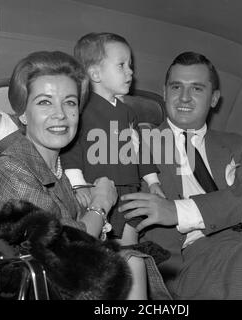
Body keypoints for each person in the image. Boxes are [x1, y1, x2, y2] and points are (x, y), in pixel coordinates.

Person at [0, 51, 171, 300]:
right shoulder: (12, 170)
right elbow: (67, 250)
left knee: (132, 260)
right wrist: (101, 204)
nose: (60, 114)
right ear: (23, 114)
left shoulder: (61, 168)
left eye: (69, 102)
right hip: (34, 286)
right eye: (44, 102)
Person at [118, 51, 242, 300]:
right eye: (176, 87)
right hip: (193, 256)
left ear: (214, 98)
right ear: (164, 93)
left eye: (196, 89)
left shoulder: (237, 145)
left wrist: (177, 210)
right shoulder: (135, 145)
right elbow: (122, 211)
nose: (184, 97)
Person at [61, 33, 165, 250]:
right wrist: (78, 184)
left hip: (130, 190)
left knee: (129, 245)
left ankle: (131, 275)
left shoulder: (128, 112)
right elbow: (72, 149)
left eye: (130, 65)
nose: (131, 71)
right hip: (98, 189)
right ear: (95, 73)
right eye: (121, 65)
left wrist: (153, 181)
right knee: (100, 247)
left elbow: (139, 149)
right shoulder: (82, 111)